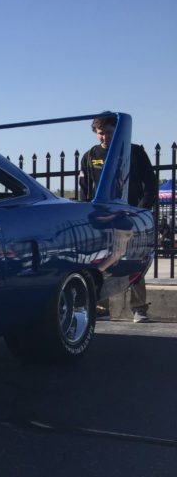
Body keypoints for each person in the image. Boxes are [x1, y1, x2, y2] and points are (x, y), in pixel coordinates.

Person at [78, 113, 158, 322]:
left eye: (109, 133)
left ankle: (139, 308)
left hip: (130, 216)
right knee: (101, 263)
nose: (104, 137)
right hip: (102, 219)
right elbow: (85, 192)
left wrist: (140, 212)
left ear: (118, 131)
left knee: (134, 261)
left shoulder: (135, 152)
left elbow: (150, 185)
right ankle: (101, 307)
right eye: (100, 134)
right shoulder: (89, 156)